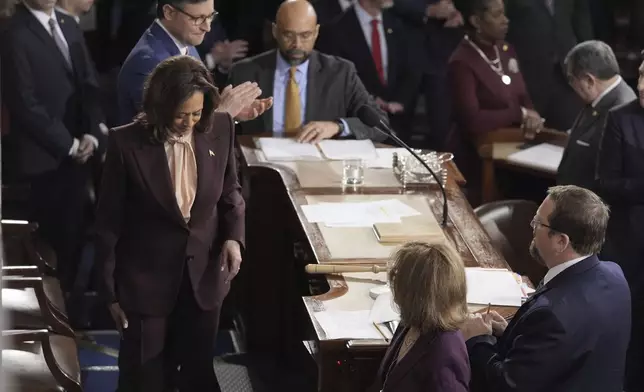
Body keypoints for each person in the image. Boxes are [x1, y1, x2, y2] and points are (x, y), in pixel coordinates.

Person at [95, 56, 245, 391]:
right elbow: (108, 223)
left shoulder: (220, 127)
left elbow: (230, 191)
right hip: (144, 284)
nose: (189, 122)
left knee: (196, 375)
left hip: (203, 279)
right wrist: (109, 293)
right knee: (144, 379)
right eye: (181, 114)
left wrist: (234, 238)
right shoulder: (125, 144)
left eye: (196, 113)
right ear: (159, 107)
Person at [463, 185, 631, 392]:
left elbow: (505, 385)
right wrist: (513, 333)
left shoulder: (552, 315)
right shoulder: (615, 275)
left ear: (561, 241)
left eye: (538, 222)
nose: (531, 226)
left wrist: (477, 339)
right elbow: (568, 348)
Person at [1, 0, 107, 291]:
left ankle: (71, 322)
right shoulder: (13, 32)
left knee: (75, 244)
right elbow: (24, 103)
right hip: (43, 163)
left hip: (80, 157)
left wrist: (92, 135)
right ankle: (55, 324)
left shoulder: (68, 24)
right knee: (48, 253)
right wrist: (69, 145)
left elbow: (90, 85)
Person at [228, 0, 387, 142]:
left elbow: (381, 125)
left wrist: (337, 126)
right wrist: (233, 118)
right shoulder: (244, 72)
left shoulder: (341, 73)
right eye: (288, 35)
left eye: (305, 35)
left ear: (316, 32)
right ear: (275, 31)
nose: (297, 44)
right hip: (261, 168)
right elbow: (221, 128)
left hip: (319, 169)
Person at [117, 0, 272, 125]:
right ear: (169, 12)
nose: (207, 27)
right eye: (198, 19)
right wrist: (224, 113)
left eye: (211, 16)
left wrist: (232, 112)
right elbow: (174, 135)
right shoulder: (150, 63)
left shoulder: (184, 43)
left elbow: (197, 113)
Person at [595, 57, 644, 392]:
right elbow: (605, 182)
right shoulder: (619, 119)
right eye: (640, 75)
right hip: (630, 244)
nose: (640, 85)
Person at [371, 241, 470, 392]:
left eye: (399, 278)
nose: (394, 284)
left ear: (416, 295)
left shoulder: (443, 356)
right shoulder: (412, 320)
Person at [316, 0, 420, 140]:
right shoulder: (335, 30)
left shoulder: (398, 24)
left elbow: (412, 67)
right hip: (361, 126)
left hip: (399, 123)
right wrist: (371, 99)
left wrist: (400, 101)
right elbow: (338, 78)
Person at [557, 40, 636, 190]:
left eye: (571, 79)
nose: (572, 86)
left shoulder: (620, 110)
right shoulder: (599, 99)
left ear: (589, 80)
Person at [505, 0, 591, 131]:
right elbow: (500, 25)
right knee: (529, 135)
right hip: (528, 76)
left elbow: (581, 21)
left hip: (565, 73)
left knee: (570, 133)